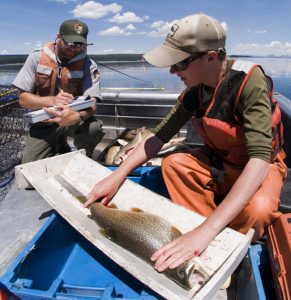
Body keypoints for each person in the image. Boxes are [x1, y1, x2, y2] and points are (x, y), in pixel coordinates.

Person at [84, 13, 287, 274]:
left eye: (179, 64)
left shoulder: (249, 81)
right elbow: (158, 136)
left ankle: (212, 234)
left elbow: (259, 159)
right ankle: (206, 228)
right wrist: (116, 176)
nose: (172, 71)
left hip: (259, 167)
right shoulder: (196, 90)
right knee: (173, 164)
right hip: (222, 164)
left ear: (211, 57)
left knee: (258, 212)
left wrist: (207, 231)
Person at [13, 19, 105, 163]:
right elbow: (23, 100)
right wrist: (51, 100)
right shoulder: (36, 57)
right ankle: (59, 143)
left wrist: (78, 116)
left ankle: (84, 159)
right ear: (59, 37)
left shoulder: (89, 65)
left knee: (94, 128)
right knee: (30, 170)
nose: (74, 48)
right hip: (44, 122)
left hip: (73, 119)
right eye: (71, 43)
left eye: (80, 44)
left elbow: (92, 103)